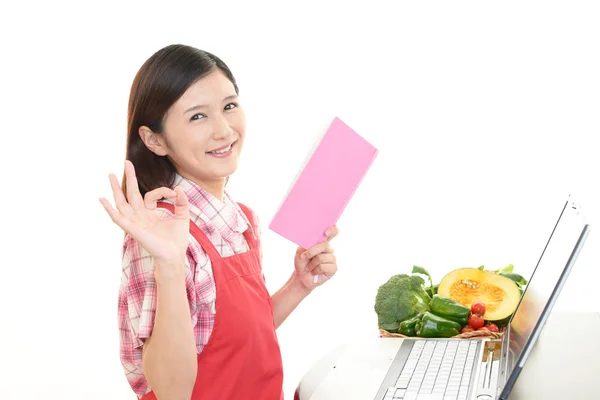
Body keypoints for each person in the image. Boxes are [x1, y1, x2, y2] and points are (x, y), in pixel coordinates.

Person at [99, 44, 339, 400]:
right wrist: (169, 264)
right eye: (198, 116)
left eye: (229, 106)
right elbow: (171, 390)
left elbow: (233, 339)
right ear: (154, 139)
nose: (224, 130)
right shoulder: (155, 238)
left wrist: (298, 285)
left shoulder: (242, 219)